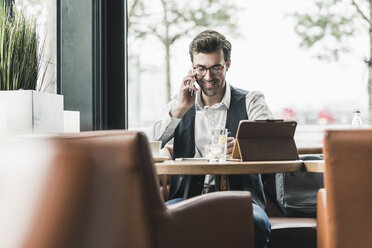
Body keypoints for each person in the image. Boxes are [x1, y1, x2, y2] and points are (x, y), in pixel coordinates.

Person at [146, 30, 273, 248]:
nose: (208, 76)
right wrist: (180, 109)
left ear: (228, 65)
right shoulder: (180, 102)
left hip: (242, 199)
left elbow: (273, 144)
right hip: (187, 198)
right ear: (192, 68)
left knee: (256, 224)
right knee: (158, 224)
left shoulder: (251, 101)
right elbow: (145, 145)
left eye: (216, 67)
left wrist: (244, 147)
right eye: (201, 68)